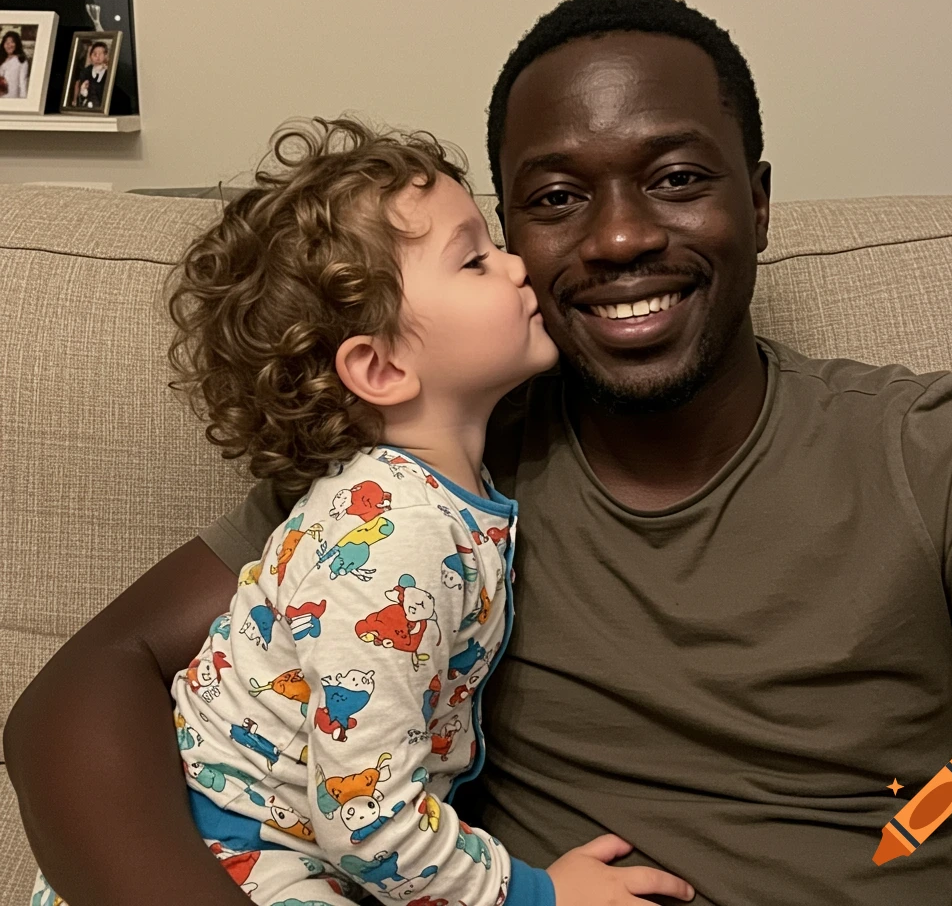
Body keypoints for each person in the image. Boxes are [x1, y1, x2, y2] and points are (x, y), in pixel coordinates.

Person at [7, 0, 952, 906]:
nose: (619, 237)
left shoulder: (937, 451)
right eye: (551, 200)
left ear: (756, 203)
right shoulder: (401, 481)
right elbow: (77, 699)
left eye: (675, 176)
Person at [26, 116, 692, 906]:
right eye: (476, 259)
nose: (520, 267)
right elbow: (367, 821)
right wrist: (539, 895)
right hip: (242, 860)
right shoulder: (389, 537)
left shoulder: (440, 499)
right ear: (380, 367)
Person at [72, 40, 110, 109]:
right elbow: (79, 88)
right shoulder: (85, 71)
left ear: (106, 55)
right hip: (87, 106)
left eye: (101, 54)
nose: (97, 56)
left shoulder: (109, 72)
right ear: (90, 56)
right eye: (95, 54)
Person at [0, 30, 30, 99]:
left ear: (17, 44)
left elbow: (23, 82)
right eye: (6, 43)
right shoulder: (2, 59)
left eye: (12, 42)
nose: (9, 45)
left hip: (12, 98)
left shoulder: (21, 61)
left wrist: (23, 100)